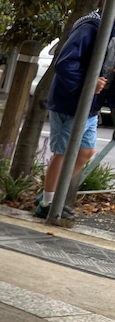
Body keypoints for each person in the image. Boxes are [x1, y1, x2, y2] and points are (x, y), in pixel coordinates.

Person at [35, 1, 115, 225]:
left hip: (90, 104)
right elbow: (65, 63)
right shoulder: (90, 27)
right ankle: (47, 203)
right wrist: (87, 84)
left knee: (85, 152)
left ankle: (50, 195)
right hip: (72, 103)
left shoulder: (107, 29)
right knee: (64, 152)